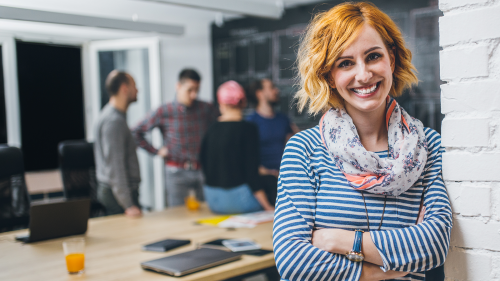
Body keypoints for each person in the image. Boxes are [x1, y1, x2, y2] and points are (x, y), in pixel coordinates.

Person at [273, 3, 452, 281]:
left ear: (391, 59)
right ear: (329, 76)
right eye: (345, 63)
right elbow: (292, 261)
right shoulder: (305, 149)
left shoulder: (427, 146)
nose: (363, 75)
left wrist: (338, 241)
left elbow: (434, 245)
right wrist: (391, 270)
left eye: (372, 56)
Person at [132, 69, 218, 207]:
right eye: (190, 90)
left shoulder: (205, 108)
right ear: (178, 86)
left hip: (203, 170)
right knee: (178, 215)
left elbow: (220, 127)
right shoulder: (164, 110)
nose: (193, 95)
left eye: (197, 90)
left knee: (208, 212)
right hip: (176, 172)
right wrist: (156, 151)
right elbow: (135, 132)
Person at [200, 81, 274, 214]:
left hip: (212, 201)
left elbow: (203, 164)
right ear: (243, 103)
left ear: (221, 104)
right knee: (272, 181)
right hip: (238, 202)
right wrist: (268, 207)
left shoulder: (210, 129)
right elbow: (251, 173)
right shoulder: (248, 129)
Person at [94, 70, 142, 217]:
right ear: (124, 88)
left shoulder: (115, 116)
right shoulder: (113, 121)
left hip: (118, 193)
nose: (137, 90)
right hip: (118, 196)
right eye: (134, 85)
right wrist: (128, 204)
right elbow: (115, 167)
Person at [246, 78, 298, 206]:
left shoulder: (283, 119)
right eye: (272, 87)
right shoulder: (251, 122)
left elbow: (298, 142)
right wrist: (268, 172)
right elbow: (246, 158)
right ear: (260, 94)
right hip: (263, 178)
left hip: (285, 175)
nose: (277, 91)